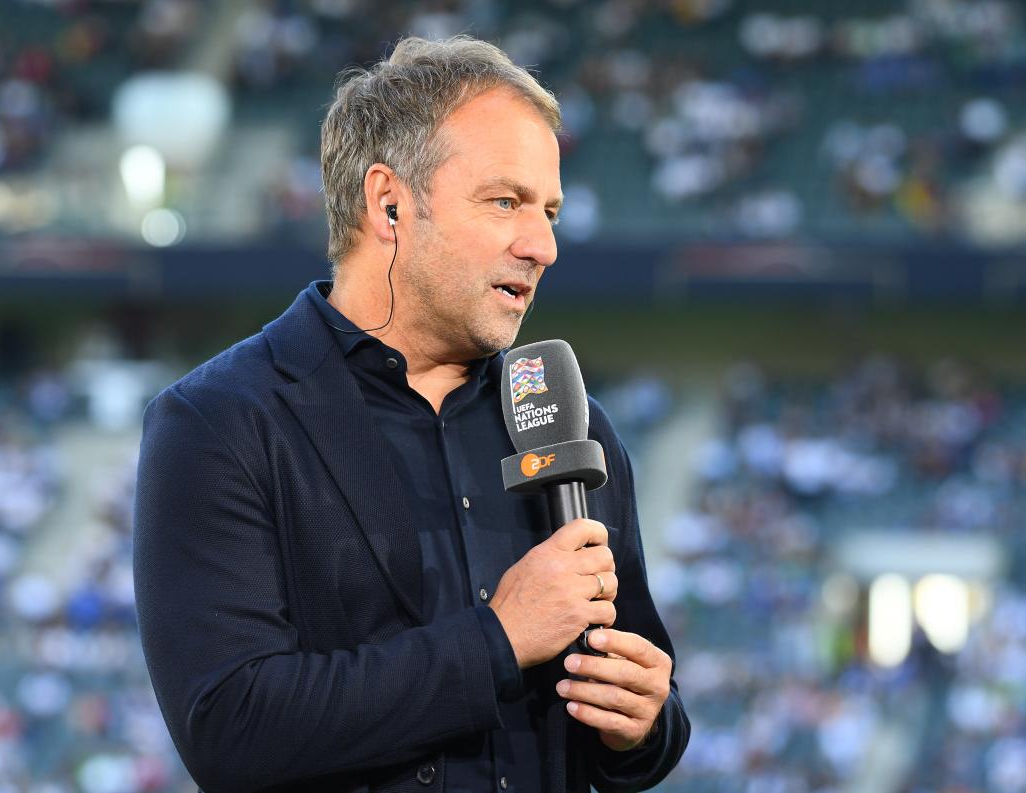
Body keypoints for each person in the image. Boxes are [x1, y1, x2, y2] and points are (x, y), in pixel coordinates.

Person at [133, 35, 689, 793]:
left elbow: (638, 715)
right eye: (506, 202)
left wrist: (644, 724)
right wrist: (497, 640)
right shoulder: (221, 421)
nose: (544, 246)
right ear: (389, 203)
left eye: (550, 211)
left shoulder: (568, 420)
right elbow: (230, 728)